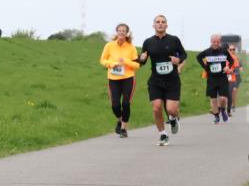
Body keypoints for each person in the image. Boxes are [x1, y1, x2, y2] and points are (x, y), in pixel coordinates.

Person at [137, 15, 186, 146]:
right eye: (158, 22)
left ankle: (173, 118)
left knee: (171, 109)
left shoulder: (174, 40)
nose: (160, 24)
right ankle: (163, 134)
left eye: (163, 22)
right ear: (153, 25)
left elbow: (183, 54)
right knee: (157, 107)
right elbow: (143, 60)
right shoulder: (148, 42)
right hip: (155, 81)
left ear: (166, 25)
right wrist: (140, 58)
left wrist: (178, 60)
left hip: (172, 81)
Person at [99, 23, 139, 137]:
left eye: (124, 31)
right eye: (119, 30)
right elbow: (102, 60)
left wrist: (125, 61)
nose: (121, 32)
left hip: (128, 78)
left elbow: (137, 65)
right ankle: (120, 119)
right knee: (115, 105)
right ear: (116, 32)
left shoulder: (131, 47)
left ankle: (123, 129)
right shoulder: (109, 46)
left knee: (125, 104)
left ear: (127, 33)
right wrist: (111, 64)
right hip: (113, 78)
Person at [196, 34, 235, 124]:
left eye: (217, 42)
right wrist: (205, 67)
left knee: (223, 98)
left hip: (222, 77)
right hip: (211, 78)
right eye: (214, 42)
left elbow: (232, 61)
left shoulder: (224, 51)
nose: (216, 43)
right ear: (211, 41)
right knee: (213, 99)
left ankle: (222, 110)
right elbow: (198, 57)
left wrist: (227, 67)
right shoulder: (207, 52)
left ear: (220, 42)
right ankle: (216, 116)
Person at [226, 44, 242, 115]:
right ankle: (227, 106)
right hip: (227, 77)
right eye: (230, 49)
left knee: (234, 92)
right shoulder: (224, 57)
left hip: (236, 77)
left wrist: (239, 69)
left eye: (233, 49)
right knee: (228, 92)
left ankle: (233, 105)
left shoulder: (236, 58)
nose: (232, 51)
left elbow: (239, 68)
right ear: (228, 50)